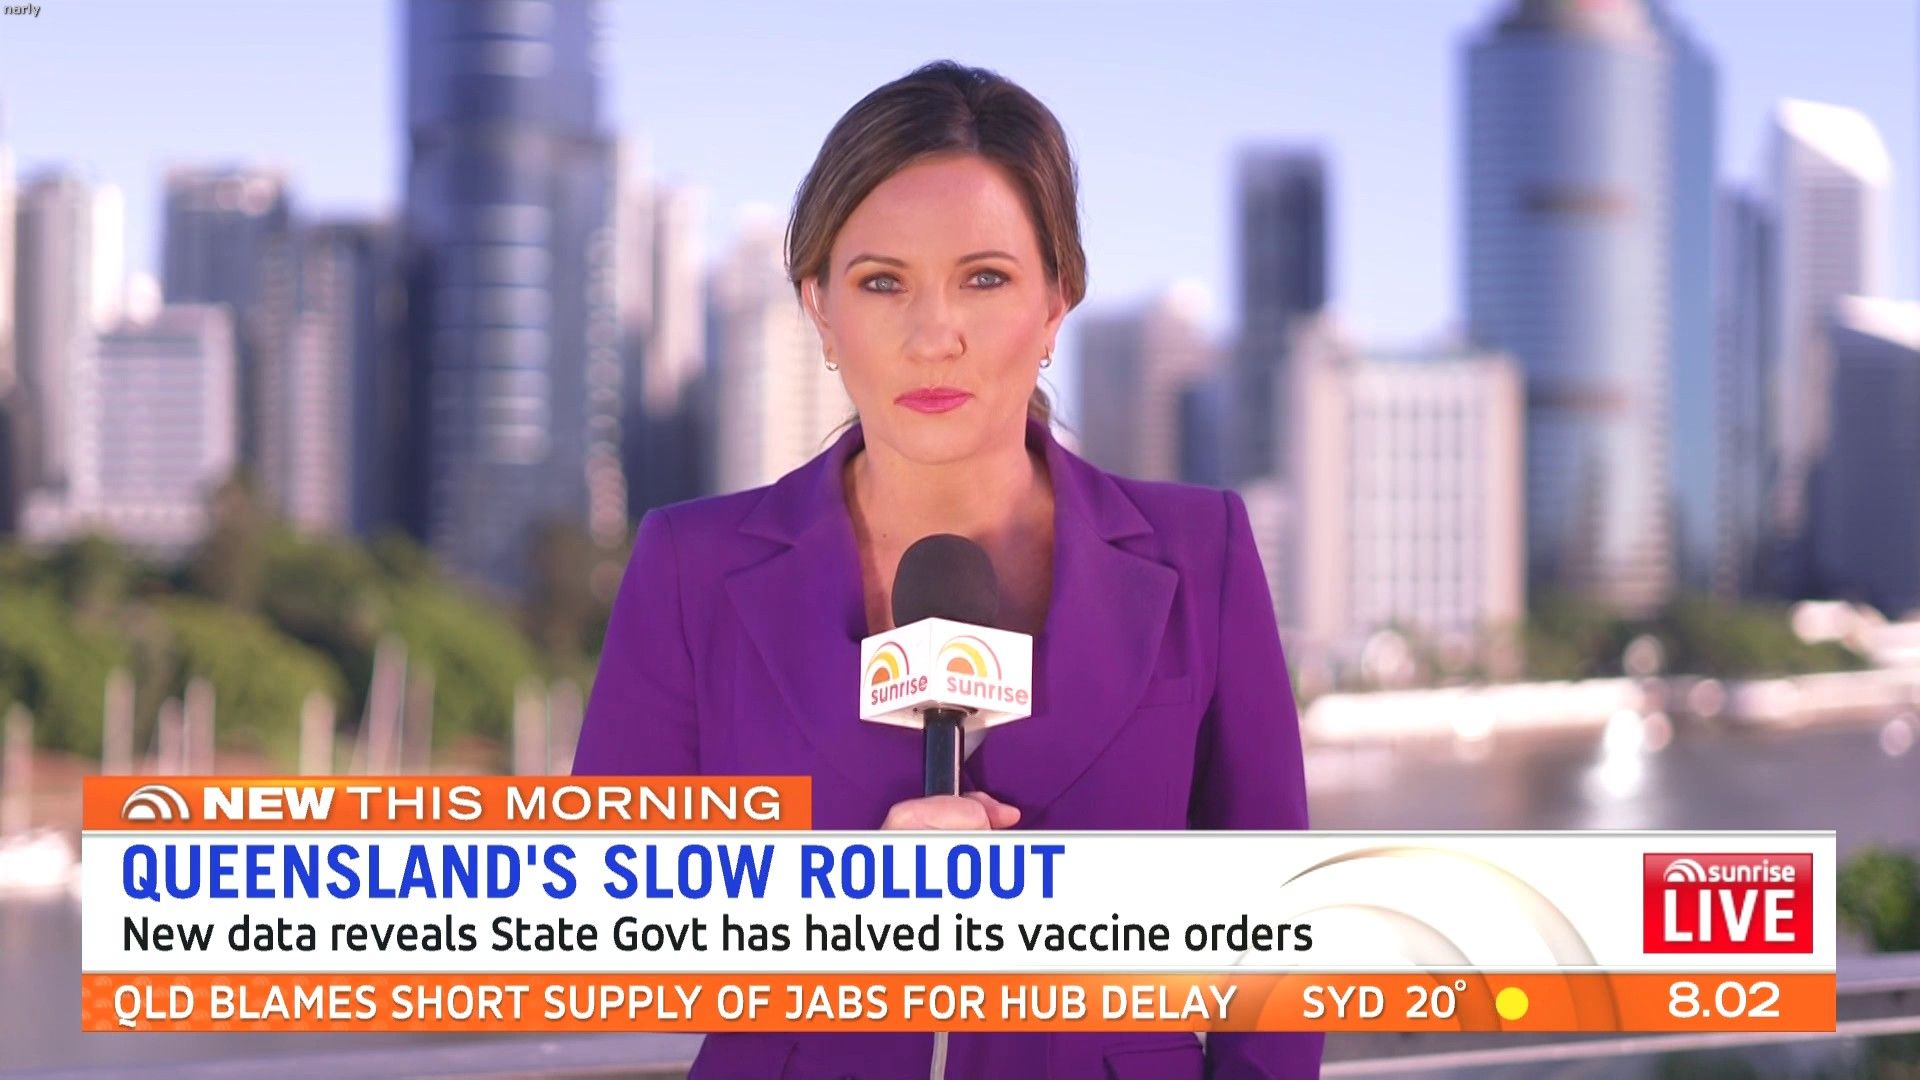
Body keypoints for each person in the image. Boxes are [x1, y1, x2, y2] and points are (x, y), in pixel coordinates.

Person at [573, 59, 1322, 1080]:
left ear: (1056, 304)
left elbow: (1276, 942)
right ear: (820, 309)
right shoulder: (688, 567)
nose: (935, 336)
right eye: (882, 282)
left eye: (986, 278)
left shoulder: (1204, 553)